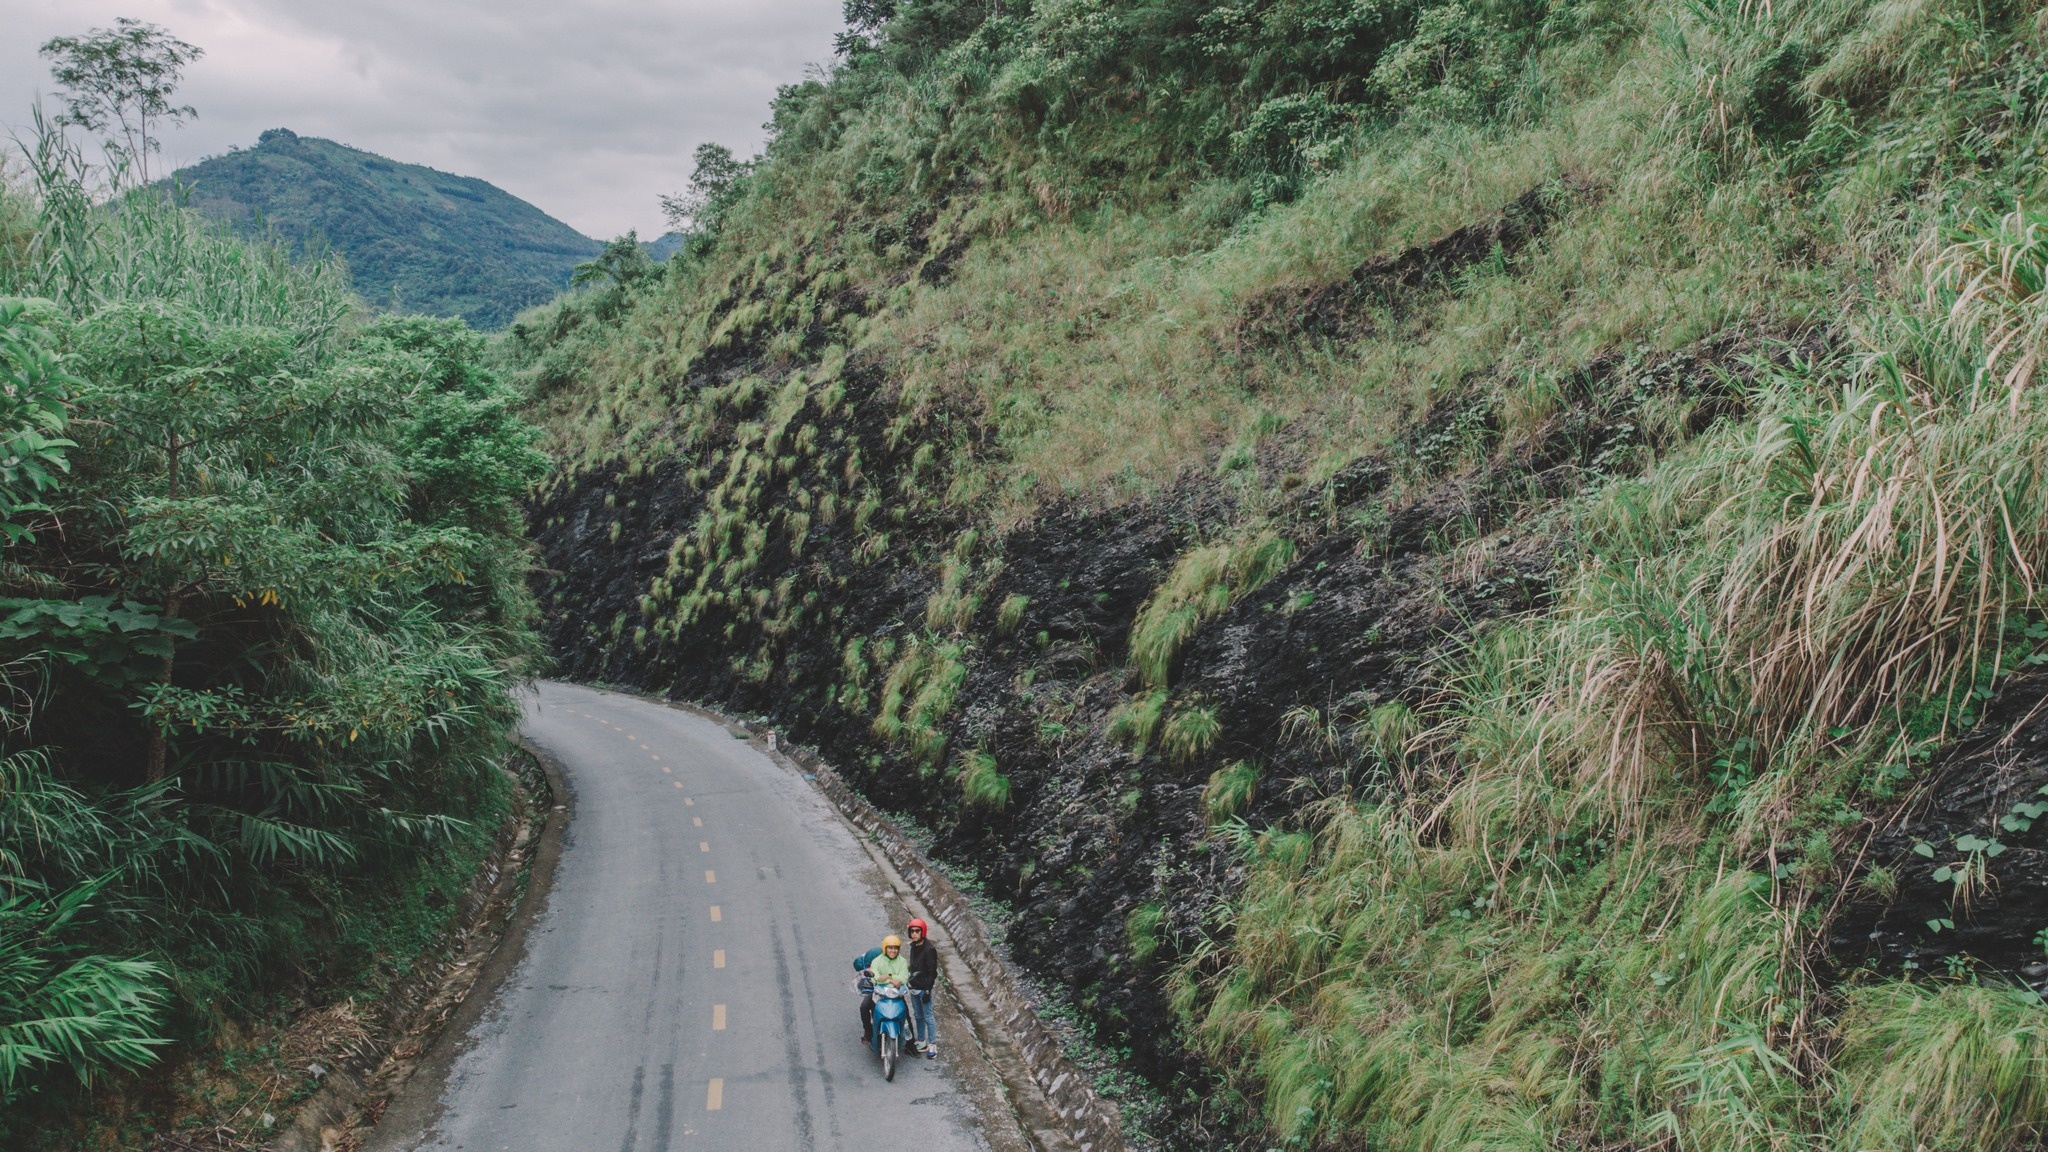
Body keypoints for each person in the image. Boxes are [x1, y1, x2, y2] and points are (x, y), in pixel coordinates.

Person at [904, 917, 939, 1059]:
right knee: (918, 1016)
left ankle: (932, 1044)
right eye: (912, 931)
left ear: (922, 932)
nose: (914, 934)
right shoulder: (913, 946)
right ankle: (921, 1040)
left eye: (917, 931)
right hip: (914, 987)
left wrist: (928, 990)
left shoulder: (929, 950)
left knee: (928, 1016)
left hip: (924, 989)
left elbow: (932, 972)